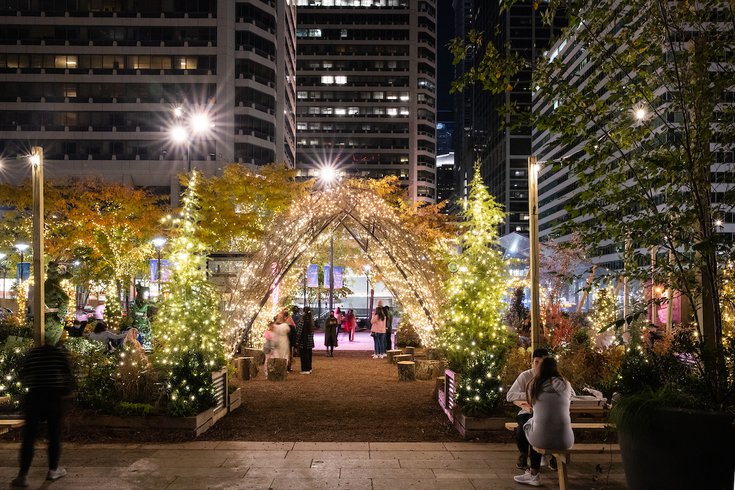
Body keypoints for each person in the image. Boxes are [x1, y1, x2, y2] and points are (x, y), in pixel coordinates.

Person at [11, 324, 74, 488]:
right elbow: (68, 375)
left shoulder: (33, 354)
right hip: (53, 397)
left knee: (29, 437)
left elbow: (23, 375)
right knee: (53, 435)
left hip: (35, 397)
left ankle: (23, 475)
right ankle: (53, 469)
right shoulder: (58, 354)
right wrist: (67, 393)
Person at [514, 357, 574, 486]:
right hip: (566, 439)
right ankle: (546, 461)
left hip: (541, 438)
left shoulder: (534, 384)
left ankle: (534, 474)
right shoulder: (566, 384)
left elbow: (532, 405)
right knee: (540, 425)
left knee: (530, 424)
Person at [506, 348, 549, 471]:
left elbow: (570, 395)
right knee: (523, 426)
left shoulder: (552, 378)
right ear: (532, 362)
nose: (539, 365)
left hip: (546, 413)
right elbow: (510, 395)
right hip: (527, 411)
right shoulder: (525, 376)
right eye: (537, 362)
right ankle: (523, 454)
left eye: (543, 362)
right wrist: (529, 394)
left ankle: (548, 456)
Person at [296, 307, 315, 374]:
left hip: (304, 340)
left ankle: (305, 369)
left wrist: (297, 340)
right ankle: (309, 368)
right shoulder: (311, 320)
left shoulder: (303, 320)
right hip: (309, 340)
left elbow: (299, 331)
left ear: (304, 312)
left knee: (304, 355)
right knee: (309, 354)